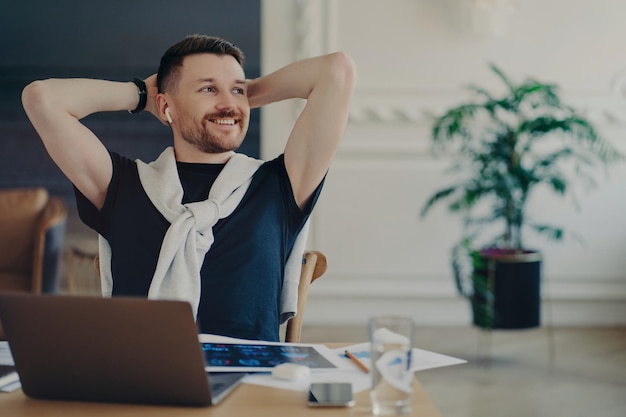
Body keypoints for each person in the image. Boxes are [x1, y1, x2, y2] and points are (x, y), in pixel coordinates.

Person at [22, 34, 356, 342]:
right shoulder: (121, 184)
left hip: (250, 387)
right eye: (208, 89)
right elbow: (42, 99)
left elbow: (336, 71)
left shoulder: (279, 185)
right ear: (166, 106)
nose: (229, 104)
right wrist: (141, 95)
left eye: (237, 90)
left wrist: (242, 93)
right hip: (142, 384)